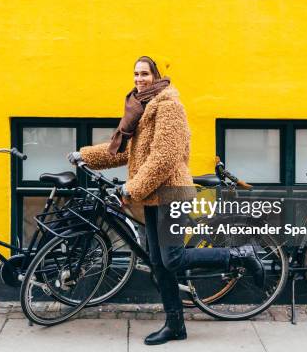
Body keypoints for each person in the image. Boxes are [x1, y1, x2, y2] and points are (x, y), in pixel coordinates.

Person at [67, 56, 264, 346]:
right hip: (152, 197)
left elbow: (164, 158)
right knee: (160, 265)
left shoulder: (169, 106)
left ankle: (241, 255)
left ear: (156, 76)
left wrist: (131, 189)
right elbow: (126, 152)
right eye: (135, 74)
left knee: (173, 258)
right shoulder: (140, 109)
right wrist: (85, 156)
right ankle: (175, 326)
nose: (139, 79)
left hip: (172, 194)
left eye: (144, 73)